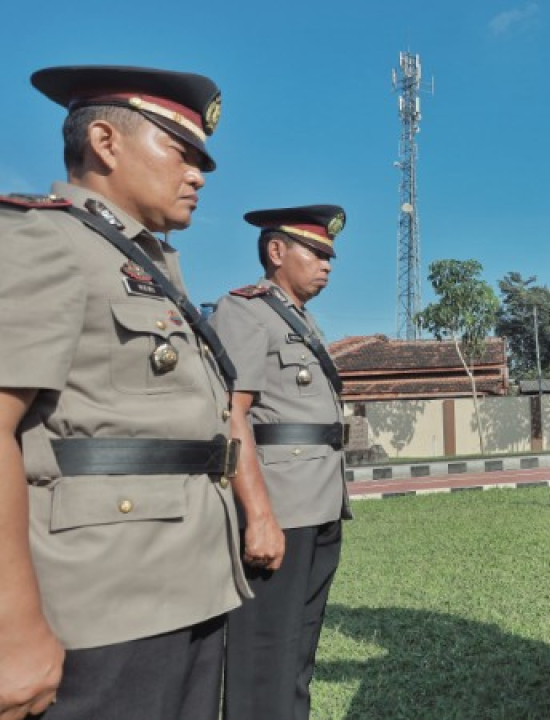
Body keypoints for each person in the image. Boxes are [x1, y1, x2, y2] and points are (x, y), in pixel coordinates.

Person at [0, 65, 246, 720]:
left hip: (189, 582)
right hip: (101, 602)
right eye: (183, 152)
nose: (198, 175)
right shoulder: (42, 241)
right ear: (105, 142)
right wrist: (13, 630)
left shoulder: (145, 264)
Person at [210, 206, 353, 719]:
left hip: (318, 503)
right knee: (266, 653)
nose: (327, 264)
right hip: (280, 508)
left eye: (329, 256)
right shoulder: (246, 310)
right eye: (315, 252)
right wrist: (260, 517)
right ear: (276, 252)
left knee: (298, 651)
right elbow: (233, 415)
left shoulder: (300, 319)